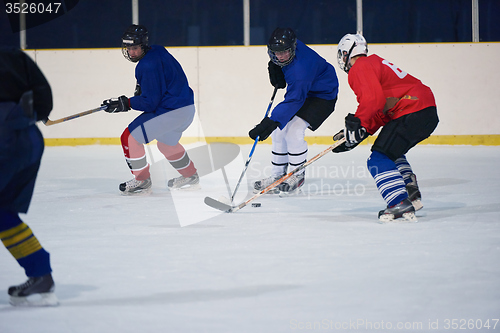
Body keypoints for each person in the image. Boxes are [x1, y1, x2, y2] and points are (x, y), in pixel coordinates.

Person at [332, 34, 439, 222]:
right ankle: (410, 193)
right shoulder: (375, 63)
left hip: (412, 109)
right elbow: (382, 108)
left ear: (346, 53)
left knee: (378, 159)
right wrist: (359, 132)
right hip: (425, 110)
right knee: (392, 152)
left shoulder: (360, 67)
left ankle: (398, 202)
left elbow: (373, 101)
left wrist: (359, 122)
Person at [102, 24, 199, 194]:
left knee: (130, 138)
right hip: (186, 109)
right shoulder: (158, 50)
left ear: (143, 45)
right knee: (167, 144)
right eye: (128, 48)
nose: (131, 52)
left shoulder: (146, 66)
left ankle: (141, 180)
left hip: (170, 112)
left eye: (135, 48)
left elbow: (150, 103)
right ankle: (190, 176)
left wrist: (126, 103)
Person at [0, 47, 58, 306]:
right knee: (2, 213)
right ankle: (40, 275)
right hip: (29, 137)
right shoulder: (10, 53)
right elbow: (42, 91)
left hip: (5, 139)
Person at [249, 27, 339, 194]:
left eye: (284, 52)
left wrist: (271, 120)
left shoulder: (301, 71)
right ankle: (277, 176)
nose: (280, 56)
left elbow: (295, 99)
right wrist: (278, 68)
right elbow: (295, 94)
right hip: (307, 90)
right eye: (276, 53)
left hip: (323, 96)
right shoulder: (289, 51)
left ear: (293, 48)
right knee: (278, 131)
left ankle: (297, 175)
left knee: (294, 130)